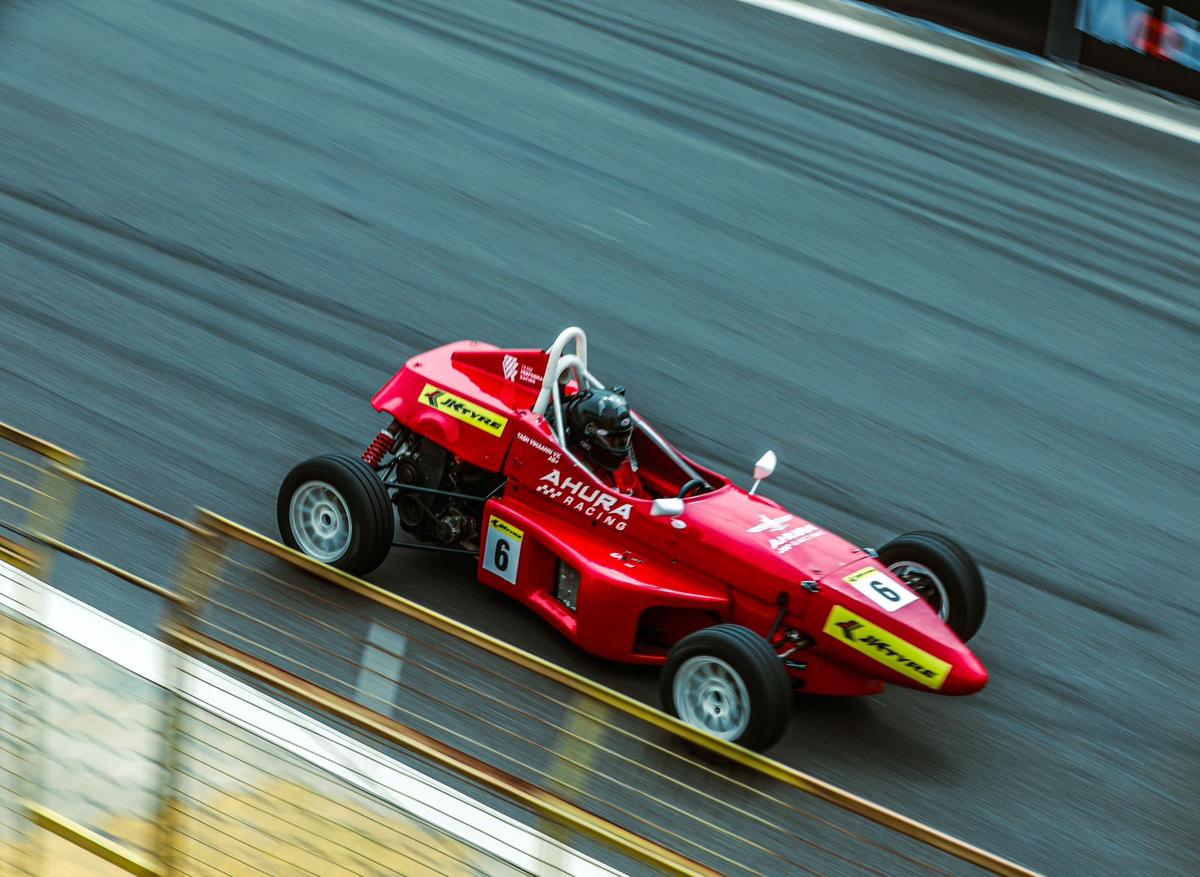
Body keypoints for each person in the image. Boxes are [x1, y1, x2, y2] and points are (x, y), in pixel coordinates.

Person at [562, 386, 649, 498]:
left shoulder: (620, 464)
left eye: (623, 441)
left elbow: (638, 494)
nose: (620, 446)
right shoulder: (570, 467)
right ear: (588, 433)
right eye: (613, 441)